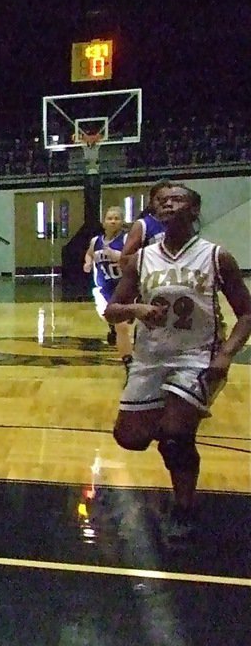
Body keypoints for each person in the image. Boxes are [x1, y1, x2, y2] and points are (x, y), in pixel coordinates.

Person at [105, 183, 251, 543]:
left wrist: (226, 354)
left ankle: (184, 506)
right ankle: (175, 432)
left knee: (175, 436)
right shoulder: (141, 258)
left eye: (177, 199)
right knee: (129, 437)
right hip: (150, 358)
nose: (168, 204)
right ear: (154, 211)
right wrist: (136, 308)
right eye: (161, 201)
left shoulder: (216, 256)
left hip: (197, 357)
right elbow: (111, 311)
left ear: (195, 208)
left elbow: (247, 312)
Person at [83, 206, 132, 364]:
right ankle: (113, 328)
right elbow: (89, 253)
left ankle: (128, 360)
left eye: (116, 218)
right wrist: (88, 263)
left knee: (122, 325)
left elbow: (134, 258)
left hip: (123, 286)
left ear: (122, 222)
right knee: (112, 319)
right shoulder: (96, 241)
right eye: (110, 218)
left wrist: (119, 256)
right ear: (103, 222)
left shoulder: (126, 239)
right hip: (104, 288)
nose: (113, 221)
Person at [119, 179, 170, 263]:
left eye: (168, 199)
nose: (165, 203)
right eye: (160, 199)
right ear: (151, 202)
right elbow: (124, 259)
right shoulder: (143, 225)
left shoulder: (179, 225)